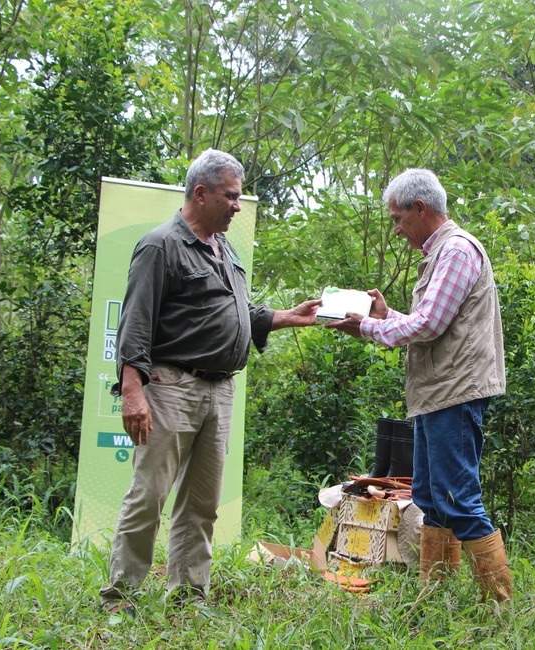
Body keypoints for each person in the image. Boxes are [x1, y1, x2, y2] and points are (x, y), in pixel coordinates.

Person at [100, 149, 320, 615]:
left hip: (220, 392)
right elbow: (135, 324)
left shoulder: (225, 247)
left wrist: (287, 316)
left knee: (201, 503)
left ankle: (188, 597)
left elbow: (234, 313)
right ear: (201, 193)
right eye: (231, 196)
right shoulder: (161, 245)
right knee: (149, 495)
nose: (237, 206)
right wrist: (133, 392)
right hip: (172, 386)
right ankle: (120, 599)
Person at [326, 168, 511, 603]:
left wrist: (367, 327)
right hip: (437, 393)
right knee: (430, 496)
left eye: (398, 218)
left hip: (455, 393)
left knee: (458, 498)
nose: (396, 229)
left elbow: (428, 325)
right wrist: (384, 316)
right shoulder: (441, 253)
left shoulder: (456, 251)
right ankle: (437, 598)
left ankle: (501, 607)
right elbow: (429, 322)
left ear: (421, 208)